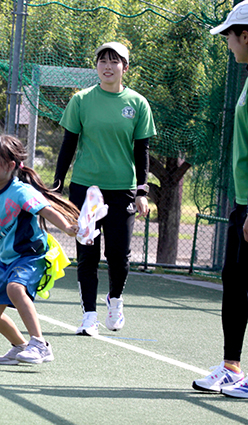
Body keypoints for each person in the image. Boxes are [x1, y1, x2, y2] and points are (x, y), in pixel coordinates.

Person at [54, 41, 156, 336]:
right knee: (87, 252)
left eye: (115, 61)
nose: (108, 66)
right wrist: (58, 184)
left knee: (118, 254)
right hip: (85, 189)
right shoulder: (81, 100)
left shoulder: (137, 104)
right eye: (102, 61)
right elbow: (68, 143)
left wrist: (141, 191)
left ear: (125, 67)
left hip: (121, 189)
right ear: (96, 66)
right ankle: (89, 315)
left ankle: (115, 299)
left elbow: (142, 151)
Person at [0, 135, 79, 365]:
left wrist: (67, 227)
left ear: (11, 165)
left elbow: (47, 210)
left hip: (31, 255)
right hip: (6, 259)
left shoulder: (21, 192)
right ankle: (19, 346)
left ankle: (40, 345)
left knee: (15, 288)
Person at [192, 2, 248, 399]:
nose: (227, 42)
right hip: (242, 200)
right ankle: (231, 368)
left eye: (230, 34)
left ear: (246, 34)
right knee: (235, 283)